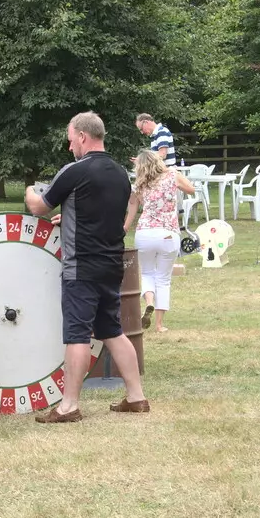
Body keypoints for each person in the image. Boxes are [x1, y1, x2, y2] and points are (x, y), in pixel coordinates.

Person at [26, 112, 149, 422]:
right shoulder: (120, 172)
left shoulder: (75, 171)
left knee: (77, 335)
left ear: (82, 136)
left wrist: (30, 191)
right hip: (112, 264)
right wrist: (68, 217)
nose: (70, 147)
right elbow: (100, 212)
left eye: (71, 140)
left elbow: (39, 206)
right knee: (112, 330)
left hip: (81, 267)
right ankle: (136, 398)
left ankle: (68, 406)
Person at [124, 150, 195, 334]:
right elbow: (191, 189)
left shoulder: (139, 183)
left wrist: (124, 227)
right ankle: (159, 324)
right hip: (168, 233)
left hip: (144, 233)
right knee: (163, 279)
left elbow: (133, 206)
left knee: (147, 273)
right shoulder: (172, 175)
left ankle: (149, 302)